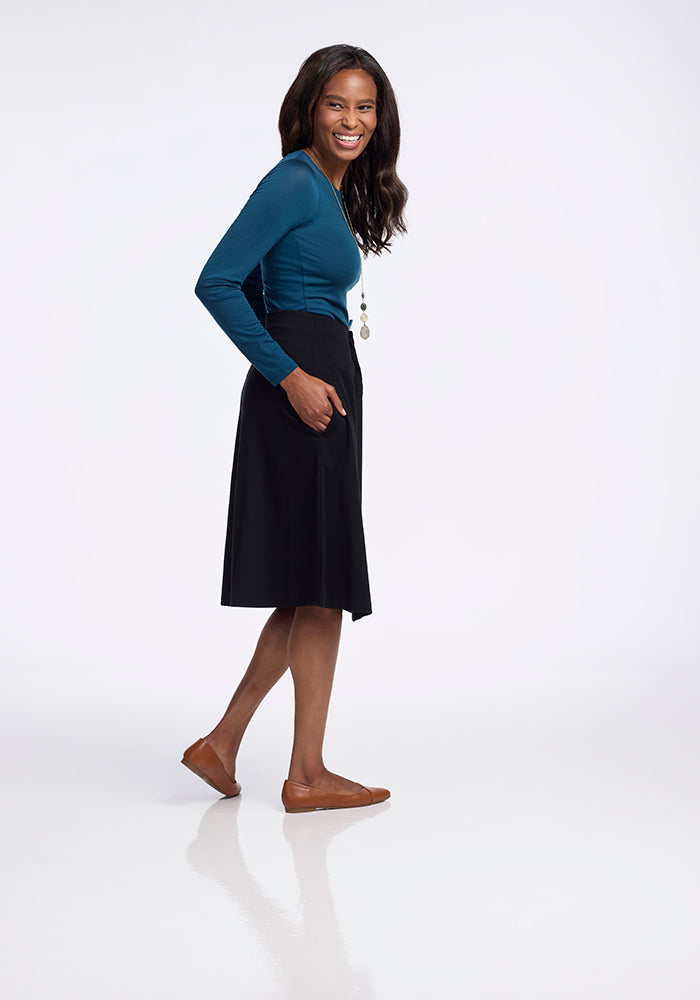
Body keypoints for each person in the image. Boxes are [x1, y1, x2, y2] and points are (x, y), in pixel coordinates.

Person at [181, 44, 408, 813]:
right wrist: (289, 374)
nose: (351, 120)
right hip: (303, 384)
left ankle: (233, 745)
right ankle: (299, 772)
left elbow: (253, 280)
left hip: (321, 375)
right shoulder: (293, 181)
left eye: (365, 107)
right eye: (337, 104)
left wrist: (304, 367)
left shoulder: (330, 194)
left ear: (380, 121)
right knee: (318, 583)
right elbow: (218, 280)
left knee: (317, 585)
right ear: (311, 107)